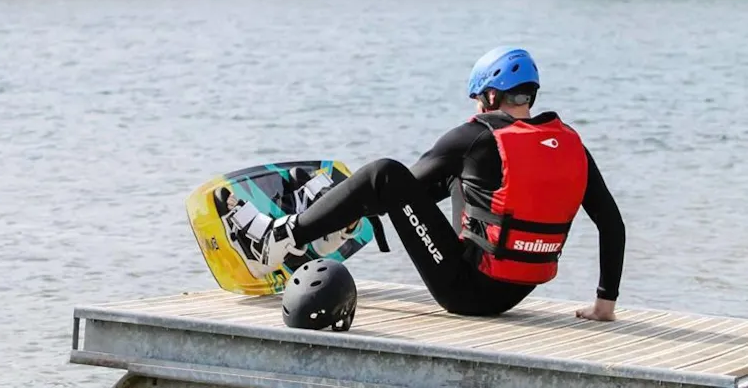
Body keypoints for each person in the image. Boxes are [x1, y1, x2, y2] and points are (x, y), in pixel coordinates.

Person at [229, 46, 626, 321]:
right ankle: (335, 221)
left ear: (490, 94)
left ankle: (281, 237)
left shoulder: (475, 136)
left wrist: (355, 202)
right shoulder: (570, 144)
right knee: (459, 177)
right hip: (515, 292)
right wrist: (604, 304)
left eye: (477, 98)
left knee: (383, 173)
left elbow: (392, 188)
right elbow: (612, 224)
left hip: (465, 292)